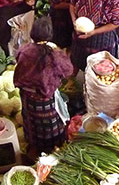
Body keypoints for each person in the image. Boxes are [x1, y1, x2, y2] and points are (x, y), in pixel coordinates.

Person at [13, 17, 74, 156]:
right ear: (49, 35)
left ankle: (34, 147)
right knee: (48, 124)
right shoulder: (53, 54)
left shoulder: (25, 50)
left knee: (31, 122)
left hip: (27, 96)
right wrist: (58, 50)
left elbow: (18, 59)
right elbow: (68, 70)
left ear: (32, 33)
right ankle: (51, 149)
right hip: (44, 98)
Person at [69, 0, 119, 71]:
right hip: (79, 33)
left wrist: (94, 32)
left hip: (101, 38)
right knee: (77, 59)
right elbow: (72, 4)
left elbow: (115, 23)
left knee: (98, 67)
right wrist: (74, 21)